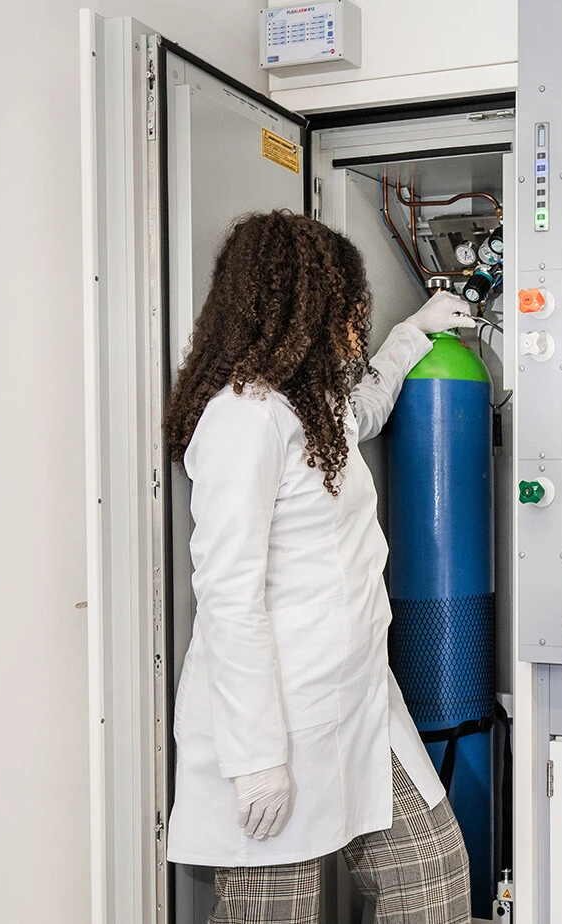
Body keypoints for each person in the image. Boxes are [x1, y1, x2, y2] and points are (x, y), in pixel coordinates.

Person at [162, 209, 476, 924]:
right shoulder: (243, 419)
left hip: (360, 704)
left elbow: (360, 411)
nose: (352, 319)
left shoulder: (307, 403)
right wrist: (255, 759)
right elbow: (228, 598)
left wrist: (412, 336)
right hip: (280, 721)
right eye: (342, 303)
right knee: (277, 912)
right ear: (295, 305)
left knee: (431, 875)